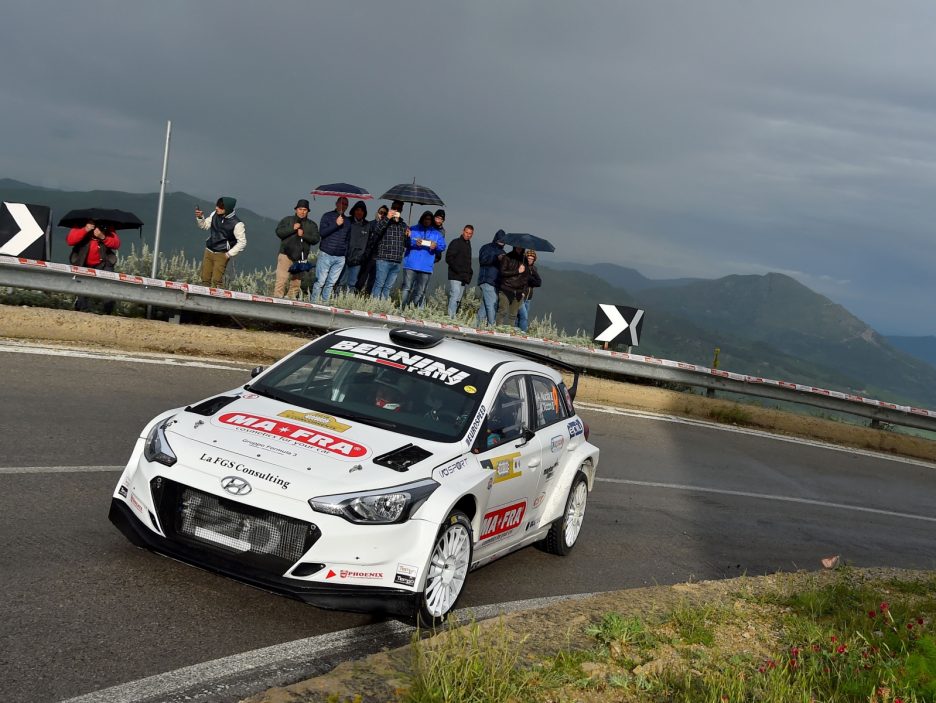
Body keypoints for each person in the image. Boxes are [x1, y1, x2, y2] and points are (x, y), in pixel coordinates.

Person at [67, 219, 121, 313]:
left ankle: (107, 313)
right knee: (82, 289)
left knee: (108, 288)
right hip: (83, 263)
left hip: (104, 264)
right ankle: (83, 310)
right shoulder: (80, 224)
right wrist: (85, 229)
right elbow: (70, 240)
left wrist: (103, 237)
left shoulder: (107, 226)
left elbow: (116, 244)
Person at [194, 197, 246, 287]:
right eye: (217, 205)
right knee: (205, 279)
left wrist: (228, 254)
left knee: (216, 281)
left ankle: (216, 300)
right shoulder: (214, 214)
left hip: (222, 254)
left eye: (220, 207)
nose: (216, 208)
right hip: (209, 251)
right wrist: (200, 217)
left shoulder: (237, 224)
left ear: (227, 209)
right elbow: (204, 226)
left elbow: (242, 242)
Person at [273, 199, 320, 299]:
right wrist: (292, 228)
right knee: (281, 280)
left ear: (308, 211)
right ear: (296, 210)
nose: (302, 211)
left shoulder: (312, 225)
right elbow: (279, 232)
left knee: (296, 283)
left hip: (300, 257)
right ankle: (277, 300)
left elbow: (316, 239)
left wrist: (304, 235)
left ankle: (290, 301)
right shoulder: (287, 220)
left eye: (305, 209)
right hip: (285, 254)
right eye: (300, 209)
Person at [400, 210, 446, 308]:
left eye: (429, 219)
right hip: (411, 264)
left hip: (426, 267)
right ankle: (401, 308)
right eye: (425, 218)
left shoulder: (437, 233)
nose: (427, 221)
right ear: (422, 219)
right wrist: (412, 242)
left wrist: (436, 245)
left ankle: (410, 309)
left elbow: (443, 246)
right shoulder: (412, 229)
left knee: (420, 292)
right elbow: (405, 243)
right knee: (406, 288)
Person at [311, 196, 350, 302]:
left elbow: (348, 239)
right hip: (326, 254)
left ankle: (324, 305)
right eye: (341, 203)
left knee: (331, 283)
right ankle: (313, 303)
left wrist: (344, 253)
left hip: (340, 257)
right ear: (336, 203)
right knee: (320, 282)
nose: (343, 206)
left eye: (346, 204)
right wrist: (336, 224)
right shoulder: (327, 216)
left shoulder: (348, 221)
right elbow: (322, 233)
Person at [371, 200, 409, 300]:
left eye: (399, 209)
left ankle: (383, 307)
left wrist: (409, 236)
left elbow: (406, 244)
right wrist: (388, 217)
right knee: (379, 284)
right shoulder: (385, 221)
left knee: (388, 287)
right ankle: (373, 306)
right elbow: (377, 230)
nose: (396, 210)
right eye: (394, 208)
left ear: (401, 210)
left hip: (396, 261)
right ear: (391, 208)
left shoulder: (404, 225)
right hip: (384, 259)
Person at [475, 229, 506, 326]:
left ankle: (477, 326)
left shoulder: (503, 252)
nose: (502, 242)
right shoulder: (487, 248)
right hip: (487, 280)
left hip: (496, 282)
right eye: (500, 240)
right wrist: (496, 258)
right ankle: (491, 326)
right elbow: (483, 260)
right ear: (496, 238)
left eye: (504, 240)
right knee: (492, 305)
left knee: (485, 306)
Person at [355, 204, 388, 295]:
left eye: (385, 213)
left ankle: (367, 296)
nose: (382, 215)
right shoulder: (370, 224)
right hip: (368, 255)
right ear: (377, 213)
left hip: (380, 256)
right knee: (362, 278)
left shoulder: (387, 226)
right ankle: (355, 294)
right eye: (381, 212)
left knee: (373, 280)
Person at [337, 200, 369, 292]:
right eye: (357, 210)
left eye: (362, 211)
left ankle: (348, 301)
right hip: (345, 257)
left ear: (364, 213)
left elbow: (368, 243)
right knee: (341, 282)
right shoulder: (347, 221)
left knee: (352, 284)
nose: (359, 212)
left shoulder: (367, 225)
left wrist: (363, 256)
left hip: (358, 260)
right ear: (354, 210)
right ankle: (336, 299)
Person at [495, 246, 531, 326]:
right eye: (517, 246)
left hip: (519, 291)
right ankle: (498, 330)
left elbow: (526, 277)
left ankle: (509, 332)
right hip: (506, 289)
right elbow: (502, 272)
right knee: (502, 312)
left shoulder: (524, 260)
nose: (519, 248)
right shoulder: (507, 257)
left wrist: (524, 292)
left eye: (521, 246)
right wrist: (517, 271)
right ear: (514, 246)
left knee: (513, 315)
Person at [445, 225, 474, 318]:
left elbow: (468, 262)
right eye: (467, 232)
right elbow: (449, 258)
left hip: (463, 277)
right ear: (463, 231)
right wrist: (457, 270)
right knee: (455, 295)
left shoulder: (468, 245)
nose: (468, 235)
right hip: (455, 275)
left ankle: (454, 316)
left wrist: (469, 273)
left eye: (470, 233)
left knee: (458, 298)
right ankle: (450, 317)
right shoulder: (456, 242)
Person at [515, 248, 541, 332]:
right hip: (521, 295)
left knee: (519, 316)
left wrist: (531, 275)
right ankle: (523, 333)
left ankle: (515, 332)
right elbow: (521, 280)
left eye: (532, 259)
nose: (530, 260)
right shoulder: (522, 267)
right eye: (528, 258)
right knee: (524, 316)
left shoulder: (534, 269)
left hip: (528, 298)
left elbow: (538, 283)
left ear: (534, 260)